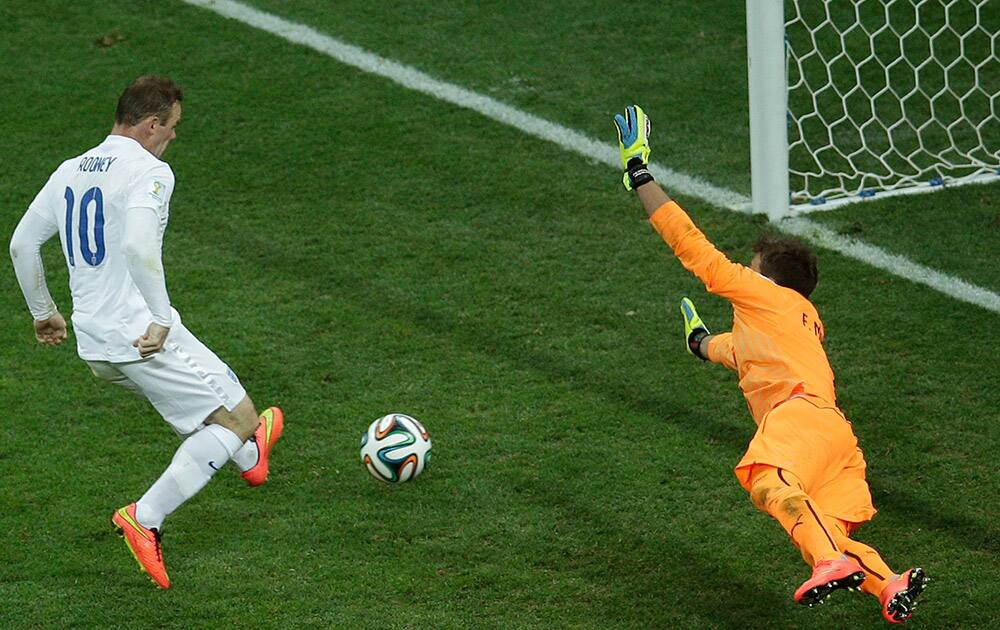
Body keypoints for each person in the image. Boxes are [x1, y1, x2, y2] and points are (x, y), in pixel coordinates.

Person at [613, 105, 928, 624]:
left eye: (755, 270)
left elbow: (697, 252)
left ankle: (829, 562)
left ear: (769, 281)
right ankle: (889, 586)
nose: (748, 276)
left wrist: (640, 175)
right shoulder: (794, 323)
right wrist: (699, 342)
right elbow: (738, 352)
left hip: (799, 418)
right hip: (832, 433)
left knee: (766, 479)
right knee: (820, 522)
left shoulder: (767, 298)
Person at [9, 75, 284, 589]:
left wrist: (43, 311)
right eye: (173, 127)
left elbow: (22, 245)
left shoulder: (69, 170)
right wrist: (158, 318)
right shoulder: (149, 172)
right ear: (152, 124)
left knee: (231, 418)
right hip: (140, 335)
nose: (174, 137)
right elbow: (139, 246)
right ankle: (146, 516)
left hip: (95, 344)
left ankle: (250, 455)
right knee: (229, 422)